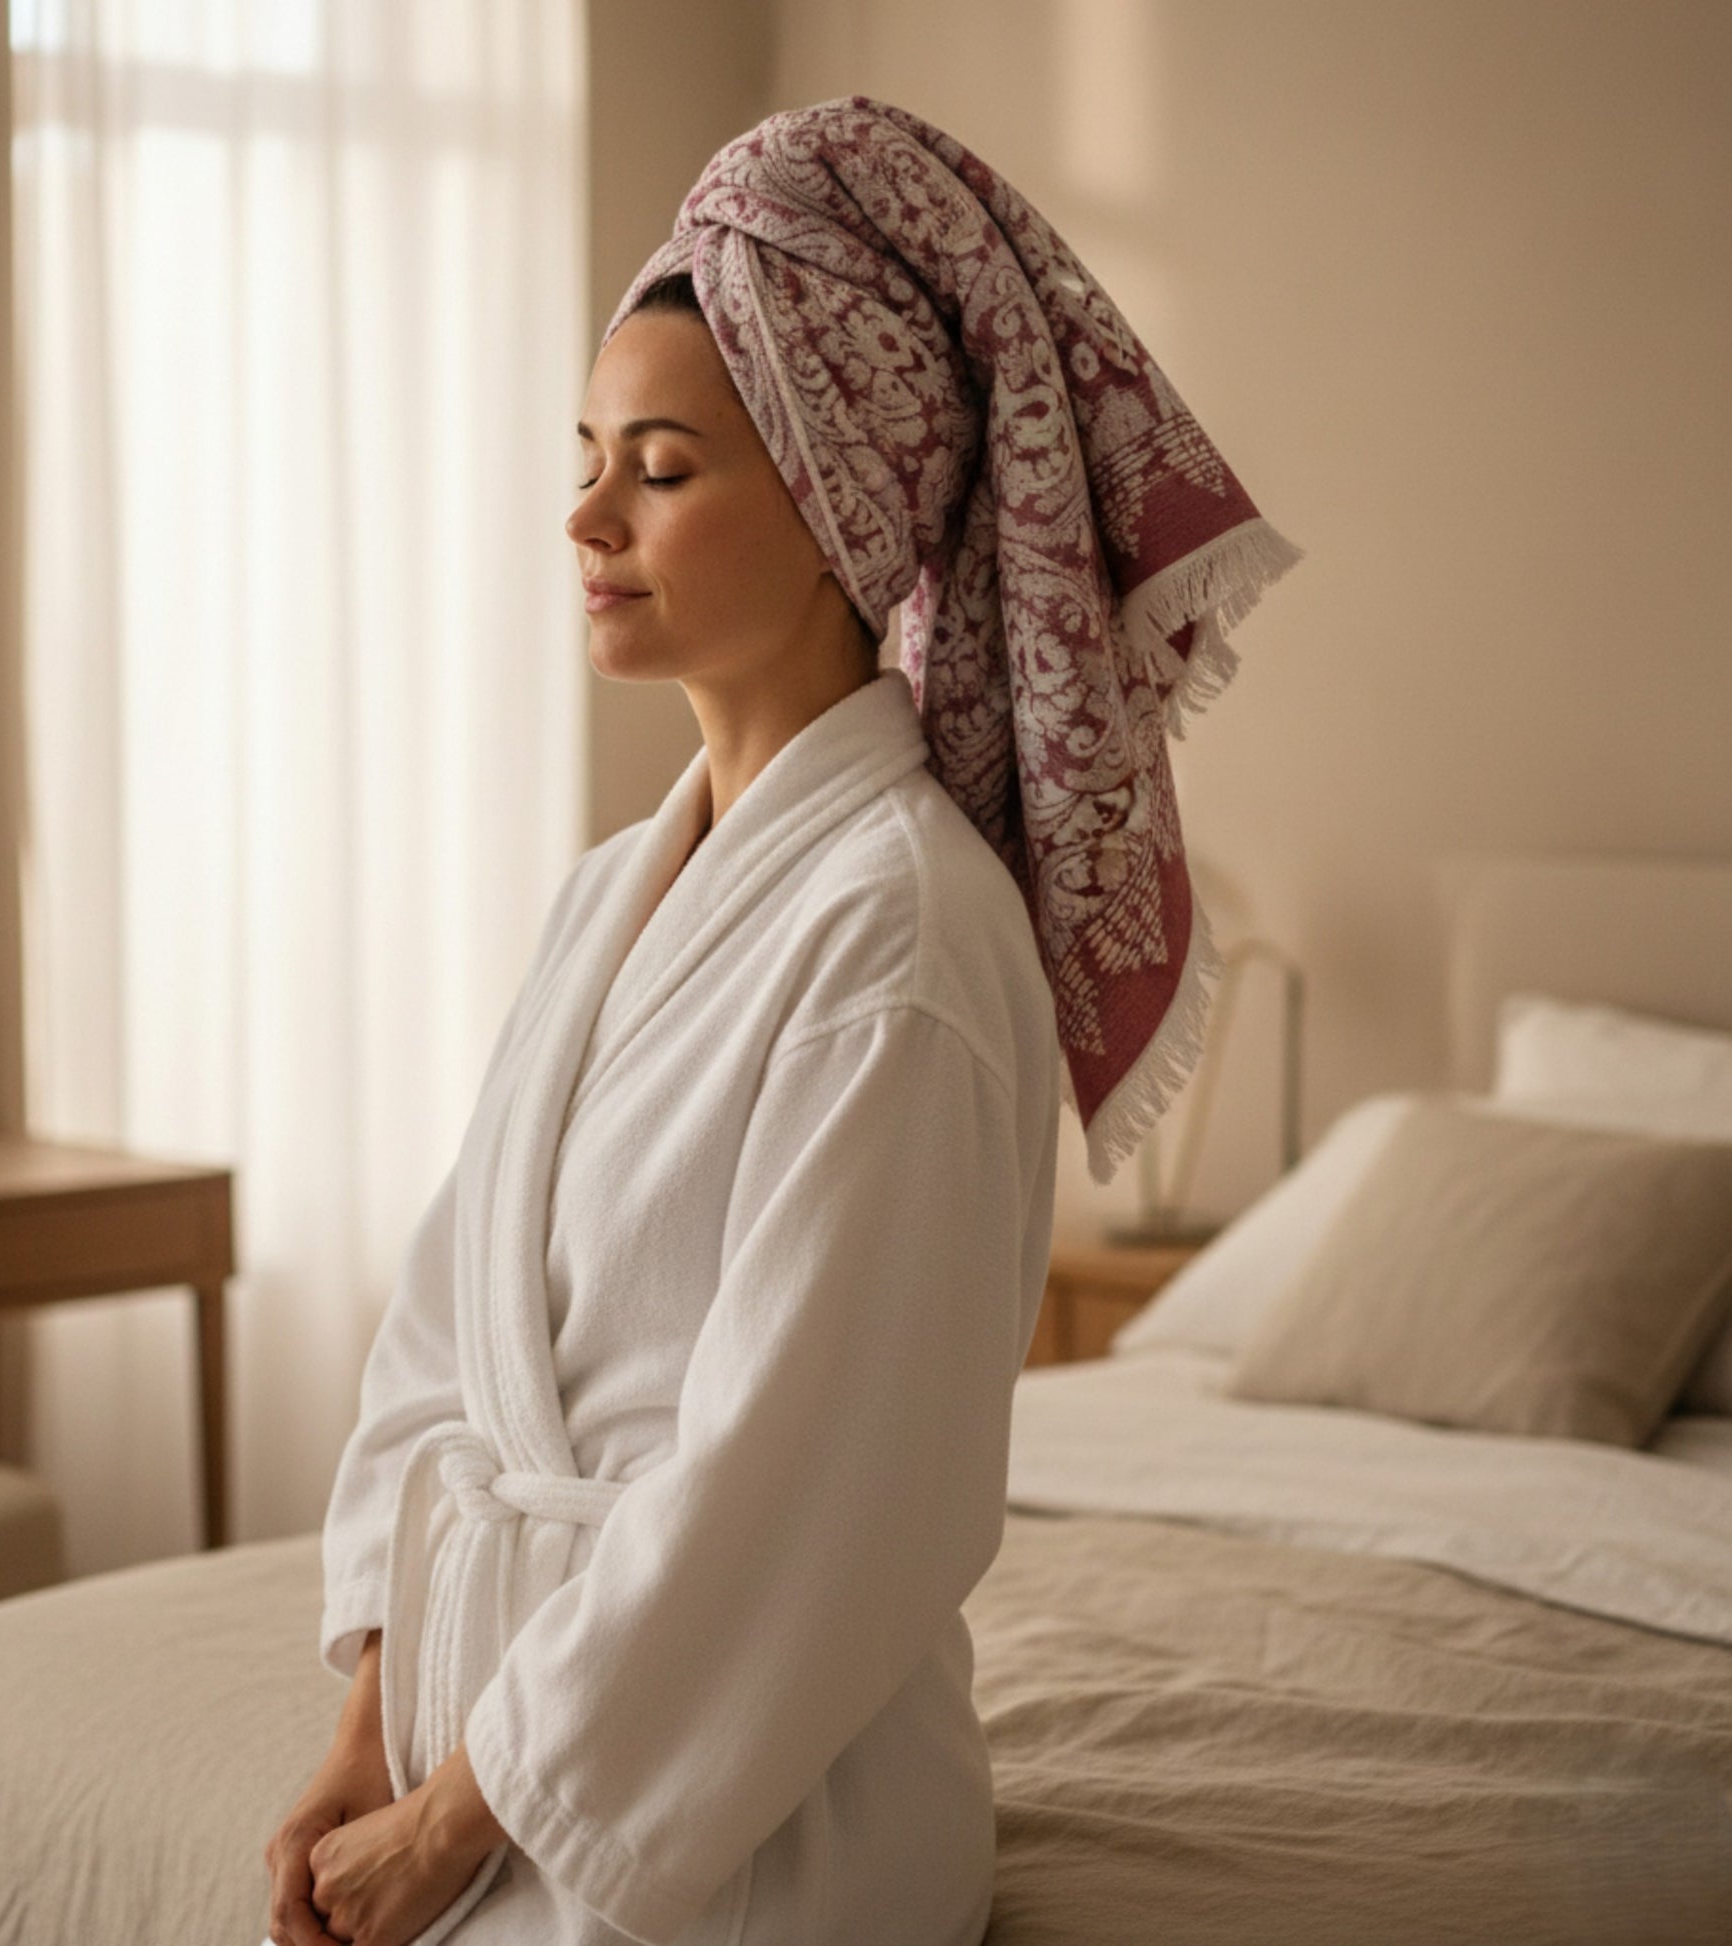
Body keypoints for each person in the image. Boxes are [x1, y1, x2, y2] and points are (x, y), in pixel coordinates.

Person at [263, 94, 1298, 1946]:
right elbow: (446, 1339)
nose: (584, 513)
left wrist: (462, 1824)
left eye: (659, 469)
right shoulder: (608, 890)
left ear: (841, 507)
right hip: (484, 1739)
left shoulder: (901, 934)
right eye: (585, 454)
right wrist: (375, 1724)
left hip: (753, 1817)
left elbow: (805, 1486)